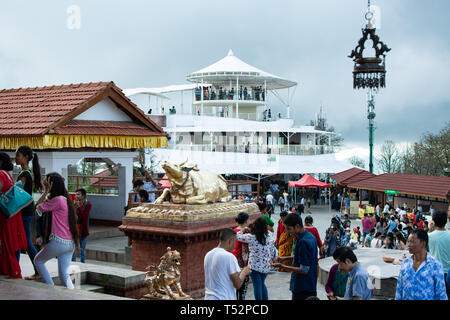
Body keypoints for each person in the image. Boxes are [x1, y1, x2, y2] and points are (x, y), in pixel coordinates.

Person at [34, 172, 79, 289]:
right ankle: (73, 294)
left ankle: (51, 288)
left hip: (59, 242)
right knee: (64, 276)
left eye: (46, 184)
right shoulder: (65, 199)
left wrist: (45, 192)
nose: (44, 186)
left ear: (51, 185)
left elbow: (37, 207)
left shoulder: (57, 200)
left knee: (38, 261)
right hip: (70, 243)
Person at [272, 214, 318, 300]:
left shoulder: (303, 242)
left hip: (303, 287)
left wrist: (282, 266)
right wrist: (284, 258)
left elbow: (304, 269)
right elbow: (303, 256)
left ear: (297, 226)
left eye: (289, 229)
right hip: (310, 284)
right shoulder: (310, 237)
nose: (288, 232)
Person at [15, 145, 44, 280]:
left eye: (18, 156)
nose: (16, 158)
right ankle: (17, 269)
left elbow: (16, 192)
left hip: (22, 211)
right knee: (21, 241)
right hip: (27, 210)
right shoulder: (29, 172)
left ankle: (36, 270)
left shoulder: (24, 174)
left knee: (24, 242)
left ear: (25, 157)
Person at [395, 229, 448, 300]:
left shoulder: (435, 266)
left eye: (412, 242)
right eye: (408, 242)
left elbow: (441, 294)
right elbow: (399, 290)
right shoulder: (405, 264)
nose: (409, 245)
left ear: (423, 243)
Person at [0, 152, 28, 279]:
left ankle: (10, 270)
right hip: (10, 214)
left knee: (5, 243)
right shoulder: (9, 176)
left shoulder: (0, 174)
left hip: (3, 214)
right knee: (9, 243)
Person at [236, 217, 277, 300]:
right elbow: (273, 253)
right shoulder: (269, 238)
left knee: (257, 286)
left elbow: (237, 236)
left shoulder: (252, 237)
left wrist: (244, 229)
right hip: (266, 266)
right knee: (262, 284)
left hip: (254, 266)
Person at [204, 228, 251, 300]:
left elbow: (221, 272)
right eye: (235, 242)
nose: (235, 245)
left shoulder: (208, 254)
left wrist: (239, 270)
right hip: (224, 297)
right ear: (230, 241)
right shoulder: (229, 256)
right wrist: (244, 273)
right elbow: (237, 284)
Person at [428, 211, 450, 297]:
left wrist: (430, 229)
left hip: (434, 271)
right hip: (448, 272)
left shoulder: (429, 236)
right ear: (446, 221)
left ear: (434, 222)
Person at [231, 212, 250, 300]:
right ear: (246, 221)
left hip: (234, 257)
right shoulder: (245, 231)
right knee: (243, 282)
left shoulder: (234, 230)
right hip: (243, 259)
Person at [72, 188, 92, 263]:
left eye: (78, 194)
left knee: (82, 249)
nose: (76, 196)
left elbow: (84, 217)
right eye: (76, 194)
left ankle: (82, 263)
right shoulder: (75, 204)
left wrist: (79, 208)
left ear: (83, 196)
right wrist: (74, 207)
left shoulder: (88, 204)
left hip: (83, 230)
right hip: (75, 229)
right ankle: (72, 263)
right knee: (73, 249)